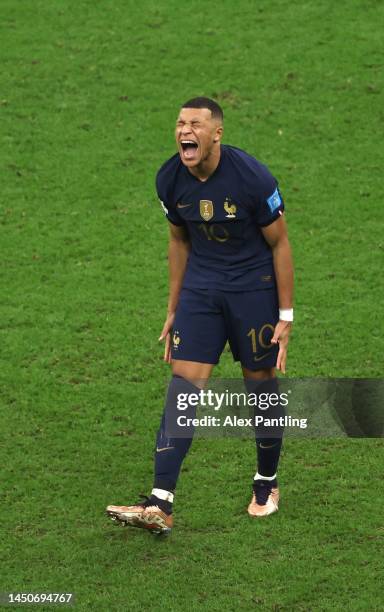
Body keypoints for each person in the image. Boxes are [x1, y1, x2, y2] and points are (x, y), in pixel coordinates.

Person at [106, 97, 294, 534]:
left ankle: (266, 481)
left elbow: (280, 244)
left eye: (194, 124)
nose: (184, 131)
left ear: (216, 134)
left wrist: (285, 315)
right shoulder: (169, 178)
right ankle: (161, 502)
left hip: (252, 289)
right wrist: (174, 306)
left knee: (259, 384)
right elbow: (179, 241)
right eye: (179, 123)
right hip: (202, 290)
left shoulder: (251, 176)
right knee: (184, 386)